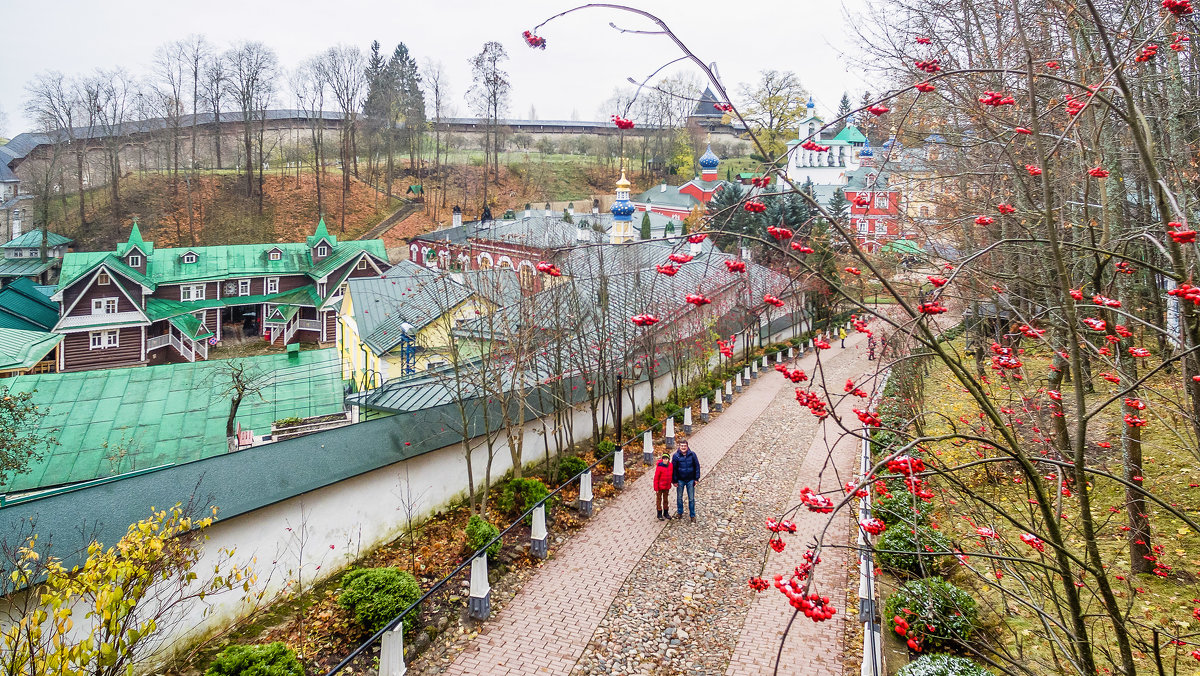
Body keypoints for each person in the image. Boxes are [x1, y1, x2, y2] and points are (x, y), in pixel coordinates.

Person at [671, 439, 700, 522]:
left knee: (691, 499)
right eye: (682, 446)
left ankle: (692, 515)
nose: (683, 447)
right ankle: (680, 512)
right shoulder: (676, 456)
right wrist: (674, 481)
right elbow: (674, 469)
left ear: (687, 447)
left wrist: (696, 478)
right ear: (679, 447)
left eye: (685, 446)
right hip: (680, 480)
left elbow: (697, 466)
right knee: (679, 497)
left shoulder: (692, 455)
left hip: (690, 479)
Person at [653, 452, 673, 521]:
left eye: (666, 459)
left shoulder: (670, 466)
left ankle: (666, 512)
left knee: (666, 499)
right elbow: (656, 478)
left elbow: (671, 475)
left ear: (668, 459)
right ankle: (659, 512)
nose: (665, 460)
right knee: (659, 499)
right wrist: (656, 488)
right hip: (660, 486)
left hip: (666, 486)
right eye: (664, 459)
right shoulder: (659, 467)